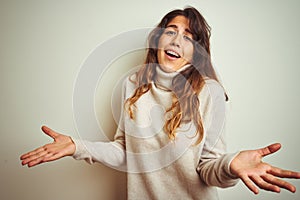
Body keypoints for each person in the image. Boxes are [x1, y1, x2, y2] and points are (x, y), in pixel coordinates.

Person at [20, 6, 300, 200]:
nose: (177, 40)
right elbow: (125, 151)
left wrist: (230, 166)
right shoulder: (132, 86)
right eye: (171, 31)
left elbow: (208, 168)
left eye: (188, 37)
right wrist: (76, 146)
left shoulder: (210, 92)